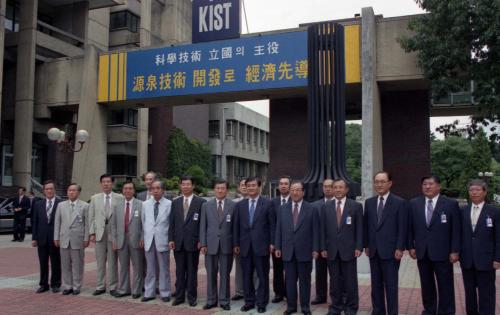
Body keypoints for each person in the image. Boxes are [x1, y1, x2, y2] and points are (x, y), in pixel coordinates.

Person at [408, 175, 460, 315]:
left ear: (439, 186)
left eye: (431, 184)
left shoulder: (450, 204)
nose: (427, 187)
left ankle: (446, 311)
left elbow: (456, 229)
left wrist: (455, 250)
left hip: (443, 252)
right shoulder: (414, 203)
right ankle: (429, 310)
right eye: (425, 184)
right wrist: (411, 247)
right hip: (422, 252)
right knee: (426, 285)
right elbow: (410, 228)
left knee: (445, 285)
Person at [364, 171, 408, 315]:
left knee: (391, 285)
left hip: (391, 251)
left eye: (382, 181)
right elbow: (367, 226)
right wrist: (367, 245)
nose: (379, 184)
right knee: (375, 285)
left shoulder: (399, 202)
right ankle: (378, 311)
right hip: (374, 251)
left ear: (390, 183)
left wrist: (400, 247)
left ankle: (392, 312)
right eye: (376, 181)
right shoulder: (369, 202)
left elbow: (403, 227)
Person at [275, 181, 319, 315]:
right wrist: (278, 246)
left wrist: (316, 249)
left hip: (305, 251)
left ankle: (305, 307)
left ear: (303, 192)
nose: (295, 192)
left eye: (298, 190)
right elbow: (279, 229)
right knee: (289, 281)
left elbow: (316, 231)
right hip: (288, 251)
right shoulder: (283, 208)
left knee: (305, 281)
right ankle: (291, 306)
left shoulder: (311, 208)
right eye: (292, 190)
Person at [320, 178, 363, 315]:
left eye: (340, 187)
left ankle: (351, 308)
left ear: (346, 190)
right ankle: (335, 307)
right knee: (334, 282)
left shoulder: (355, 206)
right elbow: (323, 230)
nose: (338, 190)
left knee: (350, 282)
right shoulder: (326, 206)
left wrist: (359, 246)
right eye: (335, 187)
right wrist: (323, 248)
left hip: (349, 250)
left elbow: (360, 229)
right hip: (331, 250)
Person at [233, 177, 275, 313]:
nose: (251, 188)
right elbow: (236, 227)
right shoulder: (240, 205)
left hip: (262, 246)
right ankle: (249, 301)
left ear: (259, 187)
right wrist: (236, 243)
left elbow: (272, 226)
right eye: (248, 186)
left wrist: (272, 243)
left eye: (253, 185)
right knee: (247, 275)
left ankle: (262, 302)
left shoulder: (268, 204)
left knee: (262, 275)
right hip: (245, 246)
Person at [459, 179, 500, 315]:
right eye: (471, 190)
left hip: (486, 260)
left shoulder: (494, 212)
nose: (474, 192)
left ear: (485, 191)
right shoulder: (463, 211)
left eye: (477, 189)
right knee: (469, 293)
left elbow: (498, 237)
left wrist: (497, 258)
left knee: (486, 293)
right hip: (467, 259)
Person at [169, 175, 206, 307]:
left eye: (188, 184)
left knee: (191, 271)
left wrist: (202, 241)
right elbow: (171, 222)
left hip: (193, 243)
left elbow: (203, 224)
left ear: (193, 186)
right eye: (183, 184)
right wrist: (171, 239)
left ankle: (191, 297)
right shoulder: (175, 202)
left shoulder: (201, 202)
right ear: (180, 186)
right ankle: (179, 297)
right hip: (178, 242)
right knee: (179, 271)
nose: (185, 186)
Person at [199, 179, 236, 311]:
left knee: (225, 274)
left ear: (227, 190)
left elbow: (235, 227)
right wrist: (203, 243)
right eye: (218, 188)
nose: (220, 190)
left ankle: (224, 301)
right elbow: (203, 226)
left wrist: (235, 244)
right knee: (211, 274)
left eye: (223, 188)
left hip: (227, 245)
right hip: (210, 245)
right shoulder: (206, 206)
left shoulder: (233, 205)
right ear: (214, 189)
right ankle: (211, 300)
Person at [88, 174, 123, 296]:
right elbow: (91, 217)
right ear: (101, 183)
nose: (106, 184)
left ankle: (113, 287)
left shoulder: (120, 198)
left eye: (108, 181)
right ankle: (100, 286)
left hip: (113, 233)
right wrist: (91, 232)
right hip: (99, 233)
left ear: (112, 183)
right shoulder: (94, 198)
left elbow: (121, 217)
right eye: (103, 182)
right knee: (100, 261)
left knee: (113, 261)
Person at [53, 183, 89, 295]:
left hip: (77, 239)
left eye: (74, 190)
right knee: (65, 264)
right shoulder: (61, 205)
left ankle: (77, 286)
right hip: (64, 239)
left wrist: (86, 238)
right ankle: (68, 286)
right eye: (69, 190)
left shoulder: (85, 206)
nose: (71, 192)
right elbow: (57, 223)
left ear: (78, 192)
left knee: (77, 264)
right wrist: (56, 237)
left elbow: (87, 224)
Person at [111, 181, 144, 299]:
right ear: (122, 191)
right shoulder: (117, 206)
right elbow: (113, 225)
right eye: (125, 188)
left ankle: (137, 290)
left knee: (138, 266)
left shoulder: (141, 204)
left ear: (134, 191)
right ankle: (124, 289)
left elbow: (145, 223)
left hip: (136, 240)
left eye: (130, 188)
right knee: (123, 266)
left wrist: (142, 237)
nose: (128, 191)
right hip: (121, 240)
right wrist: (114, 240)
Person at [141, 180, 172, 302]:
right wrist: (143, 237)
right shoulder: (145, 204)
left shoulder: (169, 204)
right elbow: (143, 222)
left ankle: (165, 293)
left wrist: (170, 239)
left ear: (163, 190)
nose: (155, 190)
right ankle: (149, 292)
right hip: (149, 240)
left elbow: (171, 224)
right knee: (150, 268)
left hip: (163, 239)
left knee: (164, 268)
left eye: (158, 188)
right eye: (153, 188)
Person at [31, 180, 62, 293]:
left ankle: (55, 284)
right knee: (43, 262)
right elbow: (35, 222)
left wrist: (60, 237)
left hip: (55, 239)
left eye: (51, 188)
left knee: (56, 262)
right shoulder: (38, 204)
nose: (49, 190)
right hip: (42, 238)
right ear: (43, 191)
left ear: (54, 190)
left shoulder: (61, 203)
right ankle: (43, 284)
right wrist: (34, 238)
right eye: (47, 189)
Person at [311, 179, 335, 305]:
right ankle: (320, 296)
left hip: (335, 246)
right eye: (325, 186)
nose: (327, 189)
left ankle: (336, 297)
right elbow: (313, 227)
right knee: (320, 273)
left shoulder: (339, 204)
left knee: (336, 274)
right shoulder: (315, 205)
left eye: (330, 186)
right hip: (319, 245)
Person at [270, 176, 290, 303]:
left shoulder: (295, 201)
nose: (283, 186)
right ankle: (278, 293)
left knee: (290, 270)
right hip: (277, 243)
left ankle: (289, 292)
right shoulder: (273, 202)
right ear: (278, 187)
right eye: (281, 183)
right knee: (277, 269)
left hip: (291, 243)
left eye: (286, 184)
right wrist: (273, 242)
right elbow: (271, 224)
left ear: (290, 186)